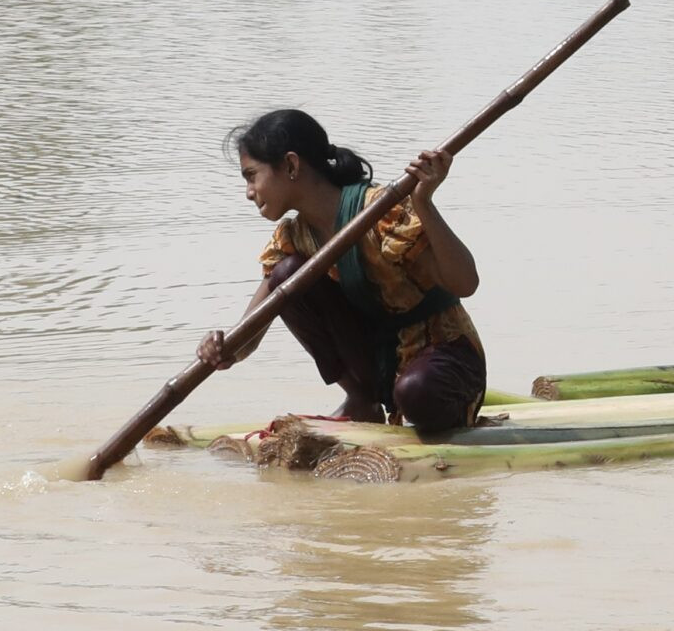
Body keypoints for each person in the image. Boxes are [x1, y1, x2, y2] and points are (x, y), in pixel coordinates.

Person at [194, 109, 487, 432]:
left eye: (252, 176)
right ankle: (363, 399)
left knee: (415, 392)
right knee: (287, 274)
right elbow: (251, 331)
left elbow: (466, 282)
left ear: (291, 165)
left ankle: (437, 413)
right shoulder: (294, 238)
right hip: (377, 364)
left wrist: (424, 203)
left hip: (444, 361)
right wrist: (223, 348)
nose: (249, 192)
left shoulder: (380, 210)